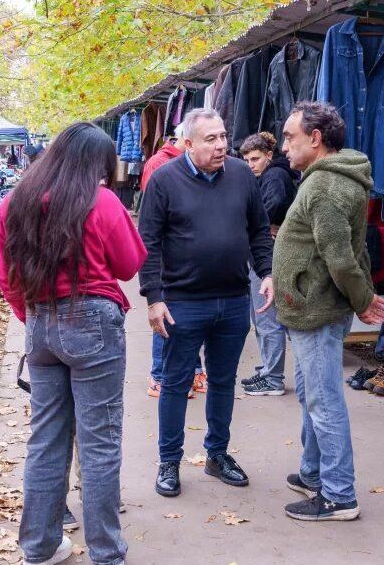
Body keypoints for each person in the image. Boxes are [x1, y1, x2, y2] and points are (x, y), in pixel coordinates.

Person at [0, 122, 146, 565]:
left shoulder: (15, 203)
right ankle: (106, 554)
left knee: (46, 438)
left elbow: (6, 277)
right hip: (93, 323)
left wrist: (33, 318)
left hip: (40, 323)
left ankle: (39, 548)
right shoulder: (101, 203)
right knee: (99, 442)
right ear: (94, 164)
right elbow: (129, 264)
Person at [138, 108, 274, 498]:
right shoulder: (164, 180)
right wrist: (154, 298)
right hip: (182, 302)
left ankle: (217, 454)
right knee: (175, 383)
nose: (220, 145)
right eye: (210, 139)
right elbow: (148, 243)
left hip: (232, 301)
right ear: (189, 143)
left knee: (223, 381)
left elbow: (258, 230)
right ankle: (169, 461)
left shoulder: (242, 176)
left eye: (223, 137)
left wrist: (266, 273)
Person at [273, 102, 384, 522]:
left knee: (323, 401)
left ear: (315, 138)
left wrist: (364, 301)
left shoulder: (324, 187)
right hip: (312, 306)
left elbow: (340, 258)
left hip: (317, 310)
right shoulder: (327, 178)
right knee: (311, 394)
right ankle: (313, 472)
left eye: (290, 136)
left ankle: (339, 495)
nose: (283, 145)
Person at [139, 124, 206, 398]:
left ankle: (193, 373)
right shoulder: (159, 166)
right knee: (166, 316)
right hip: (169, 258)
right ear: (188, 141)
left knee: (190, 318)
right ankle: (160, 376)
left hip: (193, 260)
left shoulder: (196, 166)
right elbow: (152, 220)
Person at [239, 132, 299, 397]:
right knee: (264, 314)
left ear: (268, 156)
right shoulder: (274, 175)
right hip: (270, 248)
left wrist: (255, 223)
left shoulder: (274, 176)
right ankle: (268, 370)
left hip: (269, 250)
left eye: (255, 159)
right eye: (247, 160)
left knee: (266, 314)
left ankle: (272, 377)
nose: (251, 165)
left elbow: (273, 205)